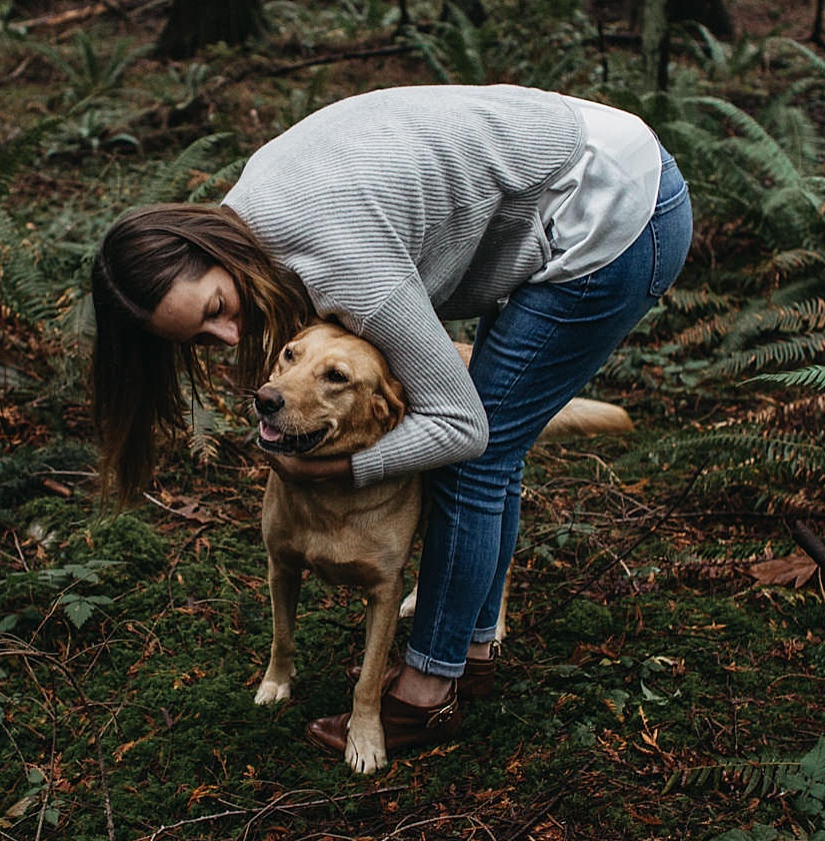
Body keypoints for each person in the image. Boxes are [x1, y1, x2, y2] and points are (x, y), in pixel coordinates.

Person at [90, 84, 691, 757]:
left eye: (218, 309)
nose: (231, 340)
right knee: (500, 443)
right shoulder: (249, 212)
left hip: (615, 211)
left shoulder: (341, 263)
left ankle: (427, 692)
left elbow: (463, 426)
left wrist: (339, 465)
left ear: (204, 245)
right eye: (201, 339)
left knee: (479, 458)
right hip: (581, 166)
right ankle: (476, 645)